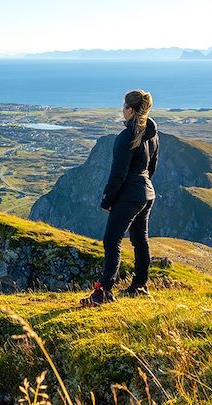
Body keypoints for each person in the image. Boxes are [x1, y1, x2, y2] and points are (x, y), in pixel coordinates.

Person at [80, 89, 159, 307]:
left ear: (131, 110)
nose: (122, 110)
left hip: (130, 195)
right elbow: (152, 167)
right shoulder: (152, 135)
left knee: (112, 240)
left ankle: (103, 291)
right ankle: (140, 284)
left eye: (124, 107)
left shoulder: (126, 137)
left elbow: (118, 173)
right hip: (146, 193)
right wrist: (141, 187)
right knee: (140, 239)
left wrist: (107, 200)